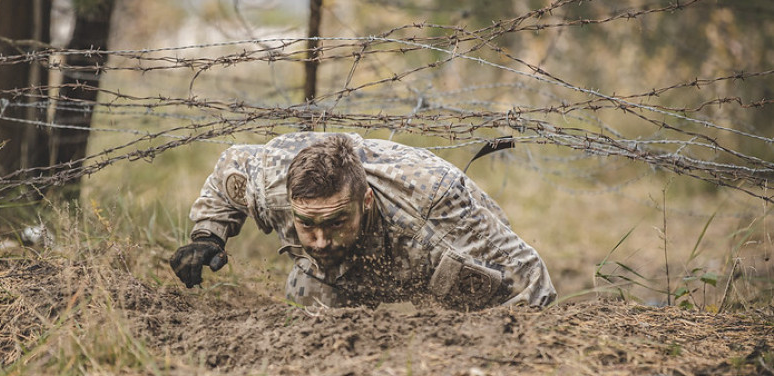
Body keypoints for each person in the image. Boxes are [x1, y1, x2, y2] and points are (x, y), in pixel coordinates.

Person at [170, 132, 556, 310]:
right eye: (307, 225)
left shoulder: (437, 203)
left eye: (337, 222)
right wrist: (208, 235)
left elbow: (528, 276)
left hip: (423, 252)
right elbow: (228, 172)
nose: (319, 240)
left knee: (473, 301)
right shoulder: (270, 180)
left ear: (365, 200)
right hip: (335, 275)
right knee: (306, 307)